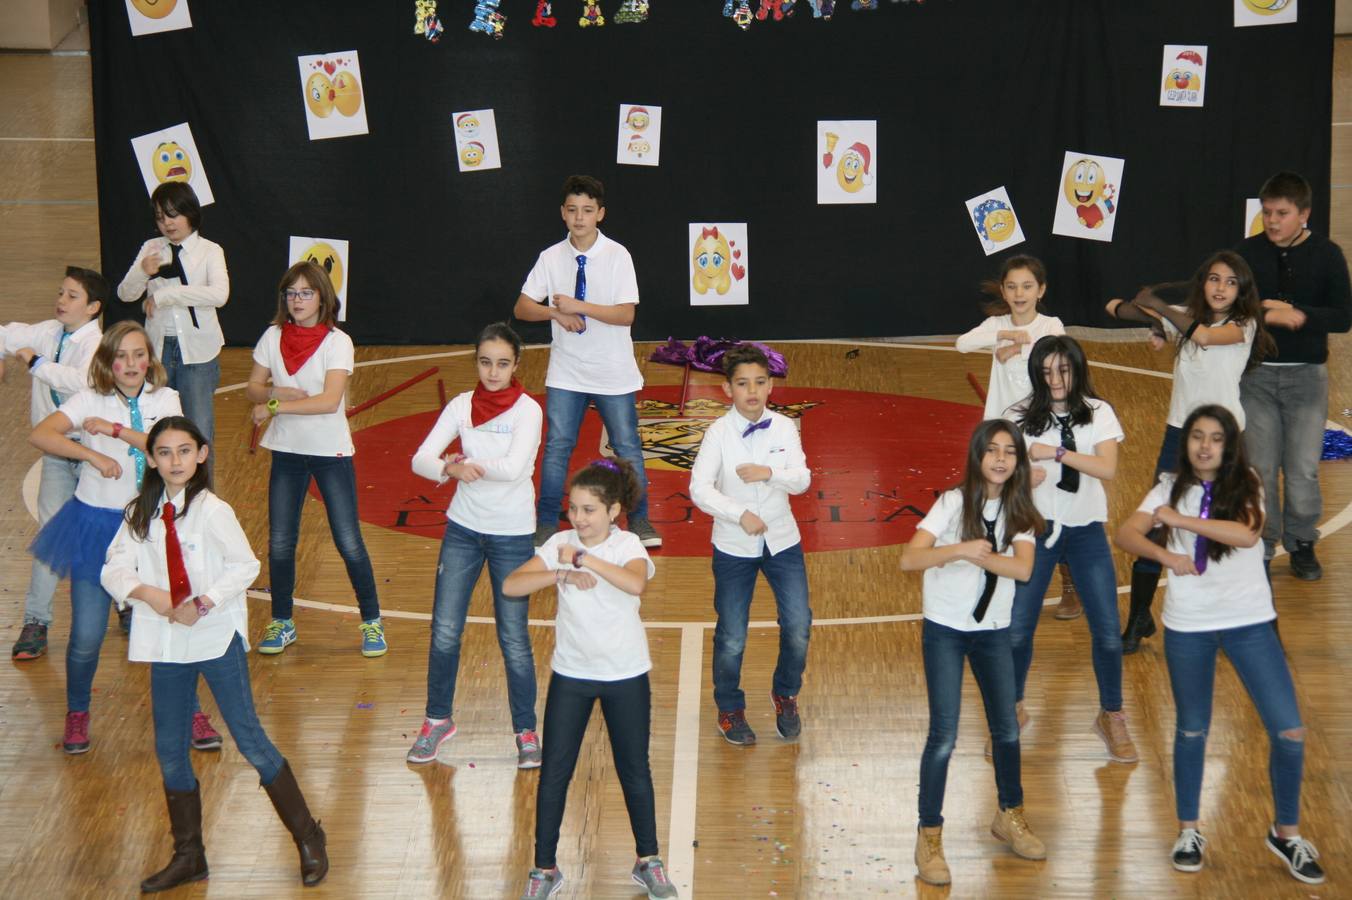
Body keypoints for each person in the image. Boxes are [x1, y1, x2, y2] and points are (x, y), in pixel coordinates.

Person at [101, 416, 328, 892]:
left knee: (248, 737)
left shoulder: (212, 510)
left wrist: (202, 603)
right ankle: (190, 855)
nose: (175, 461)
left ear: (201, 455)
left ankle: (308, 835)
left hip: (212, 636)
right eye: (164, 452)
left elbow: (246, 564)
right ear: (151, 458)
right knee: (169, 750)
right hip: (166, 641)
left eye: (184, 451)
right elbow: (114, 567)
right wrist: (151, 594)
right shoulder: (139, 513)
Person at [1114, 405, 1324, 885]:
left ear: (1229, 446)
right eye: (1196, 437)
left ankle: (1286, 833)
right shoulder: (1168, 487)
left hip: (1250, 623)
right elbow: (1126, 532)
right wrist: (1164, 552)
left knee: (1289, 730)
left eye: (1215, 439)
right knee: (1191, 731)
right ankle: (1189, 830)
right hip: (1189, 625)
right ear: (1186, 442)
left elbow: (1247, 534)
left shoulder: (1246, 481)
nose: (1204, 446)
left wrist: (1179, 522)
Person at [27, 320, 207, 755]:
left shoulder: (165, 398)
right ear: (107, 362)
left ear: (150, 359)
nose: (131, 364)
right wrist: (89, 453)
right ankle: (77, 713)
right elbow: (41, 433)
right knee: (87, 634)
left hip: (148, 526)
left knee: (174, 621)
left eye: (139, 354)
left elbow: (166, 446)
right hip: (94, 526)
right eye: (121, 356)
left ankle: (193, 713)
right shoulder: (89, 398)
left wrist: (113, 431)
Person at [503, 459, 677, 900]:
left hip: (625, 675)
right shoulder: (560, 542)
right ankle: (544, 868)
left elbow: (634, 584)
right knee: (555, 773)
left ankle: (648, 860)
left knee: (634, 769)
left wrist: (585, 559)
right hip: (572, 675)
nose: (578, 519)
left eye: (589, 510)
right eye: (574, 509)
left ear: (614, 510)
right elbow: (511, 585)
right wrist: (560, 571)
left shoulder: (628, 545)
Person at [901, 418, 1047, 886]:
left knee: (1006, 729)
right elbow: (910, 557)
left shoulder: (1021, 508)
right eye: (993, 450)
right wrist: (960, 550)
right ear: (977, 456)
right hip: (946, 629)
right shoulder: (953, 502)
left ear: (1018, 461)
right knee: (943, 735)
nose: (1001, 459)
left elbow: (1023, 571)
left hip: (993, 632)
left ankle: (1010, 814)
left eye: (1010, 451)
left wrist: (984, 557)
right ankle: (929, 835)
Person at [1107, 250, 1273, 651]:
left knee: (1223, 521)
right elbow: (1114, 308)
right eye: (1214, 279)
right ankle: (1140, 617)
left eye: (1231, 282)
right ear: (1202, 283)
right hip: (1179, 433)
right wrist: (1145, 311)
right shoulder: (1183, 314)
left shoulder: (1244, 324)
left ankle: (1231, 615)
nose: (1220, 288)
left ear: (1242, 291)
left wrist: (1160, 308)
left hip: (1226, 437)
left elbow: (1201, 335)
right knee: (1158, 522)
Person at [407, 322, 543, 768]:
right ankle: (437, 720)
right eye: (485, 362)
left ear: (516, 365)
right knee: (445, 632)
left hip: (512, 534)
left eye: (503, 363)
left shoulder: (528, 411)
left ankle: (526, 731)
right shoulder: (461, 406)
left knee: (513, 639)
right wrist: (448, 469)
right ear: (476, 362)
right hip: (463, 530)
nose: (493, 372)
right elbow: (421, 459)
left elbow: (514, 467)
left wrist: (461, 463)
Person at [1003, 335, 1137, 762]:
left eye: (1063, 370)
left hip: (1086, 534)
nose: (1055, 379)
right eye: (1046, 372)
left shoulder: (1100, 413)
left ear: (1077, 370)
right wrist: (1022, 477)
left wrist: (1056, 453)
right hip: (1035, 533)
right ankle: (1011, 710)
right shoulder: (1018, 417)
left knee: (1108, 635)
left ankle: (1111, 714)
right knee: (1018, 630)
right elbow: (997, 474)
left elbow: (1108, 467)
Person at [513, 174, 661, 549]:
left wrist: (579, 307)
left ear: (601, 214)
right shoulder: (550, 257)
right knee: (557, 446)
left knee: (627, 446)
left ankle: (640, 520)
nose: (580, 218)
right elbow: (522, 307)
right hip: (567, 370)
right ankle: (546, 521)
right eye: (573, 210)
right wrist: (554, 314)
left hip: (612, 371)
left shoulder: (617, 255)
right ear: (563, 214)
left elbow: (626, 314)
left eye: (588, 211)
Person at [247, 261, 386, 656]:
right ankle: (282, 621)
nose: (298, 300)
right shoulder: (272, 336)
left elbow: (328, 402)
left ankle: (372, 622)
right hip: (287, 454)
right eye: (291, 293)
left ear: (323, 297)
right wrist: (273, 394)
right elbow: (253, 388)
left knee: (349, 542)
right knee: (280, 543)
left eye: (306, 293)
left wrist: (276, 404)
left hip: (330, 453)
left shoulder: (337, 342)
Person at [689, 343, 812, 745]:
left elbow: (802, 478)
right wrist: (737, 513)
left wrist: (769, 473)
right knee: (732, 635)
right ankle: (729, 708)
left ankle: (786, 694)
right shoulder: (718, 433)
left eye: (760, 382)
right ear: (728, 390)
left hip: (783, 541)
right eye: (743, 384)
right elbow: (699, 489)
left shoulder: (784, 427)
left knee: (798, 625)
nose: (752, 391)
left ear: (771, 385)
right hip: (733, 547)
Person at [1235, 171, 1351, 580]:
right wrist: (1267, 311)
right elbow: (1228, 303)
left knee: (1301, 468)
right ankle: (1264, 544)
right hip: (1257, 379)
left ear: (1304, 214)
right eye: (1267, 212)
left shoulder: (1327, 254)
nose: (1272, 221)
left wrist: (1300, 314)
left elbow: (1343, 316)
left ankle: (1302, 541)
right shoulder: (1246, 254)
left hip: (1307, 379)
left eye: (1281, 213)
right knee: (1262, 468)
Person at [3, 266, 106, 660]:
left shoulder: (98, 343)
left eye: (72, 296)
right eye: (61, 293)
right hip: (57, 452)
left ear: (93, 307)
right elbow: (5, 334)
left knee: (110, 533)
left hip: (95, 454)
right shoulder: (47, 332)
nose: (61, 301)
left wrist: (33, 363)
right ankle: (36, 621)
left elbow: (79, 382)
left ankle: (126, 602)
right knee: (51, 534)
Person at [116, 182, 229, 475]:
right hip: (158, 351)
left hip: (198, 354)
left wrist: (165, 295)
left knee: (199, 430)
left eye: (173, 214)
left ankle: (201, 499)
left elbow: (219, 295)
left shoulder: (210, 251)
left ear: (190, 214)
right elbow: (125, 294)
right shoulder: (151, 249)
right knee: (157, 427)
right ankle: (158, 497)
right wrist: (143, 272)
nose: (167, 223)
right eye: (160, 217)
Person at [955, 255, 1065, 420]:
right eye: (1011, 287)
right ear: (1003, 292)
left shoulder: (1050, 325)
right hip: (1001, 420)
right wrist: (1004, 335)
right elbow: (962, 344)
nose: (1019, 293)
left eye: (1027, 286)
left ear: (1040, 290)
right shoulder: (996, 324)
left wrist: (1016, 349)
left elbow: (1058, 351)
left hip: (1039, 420)